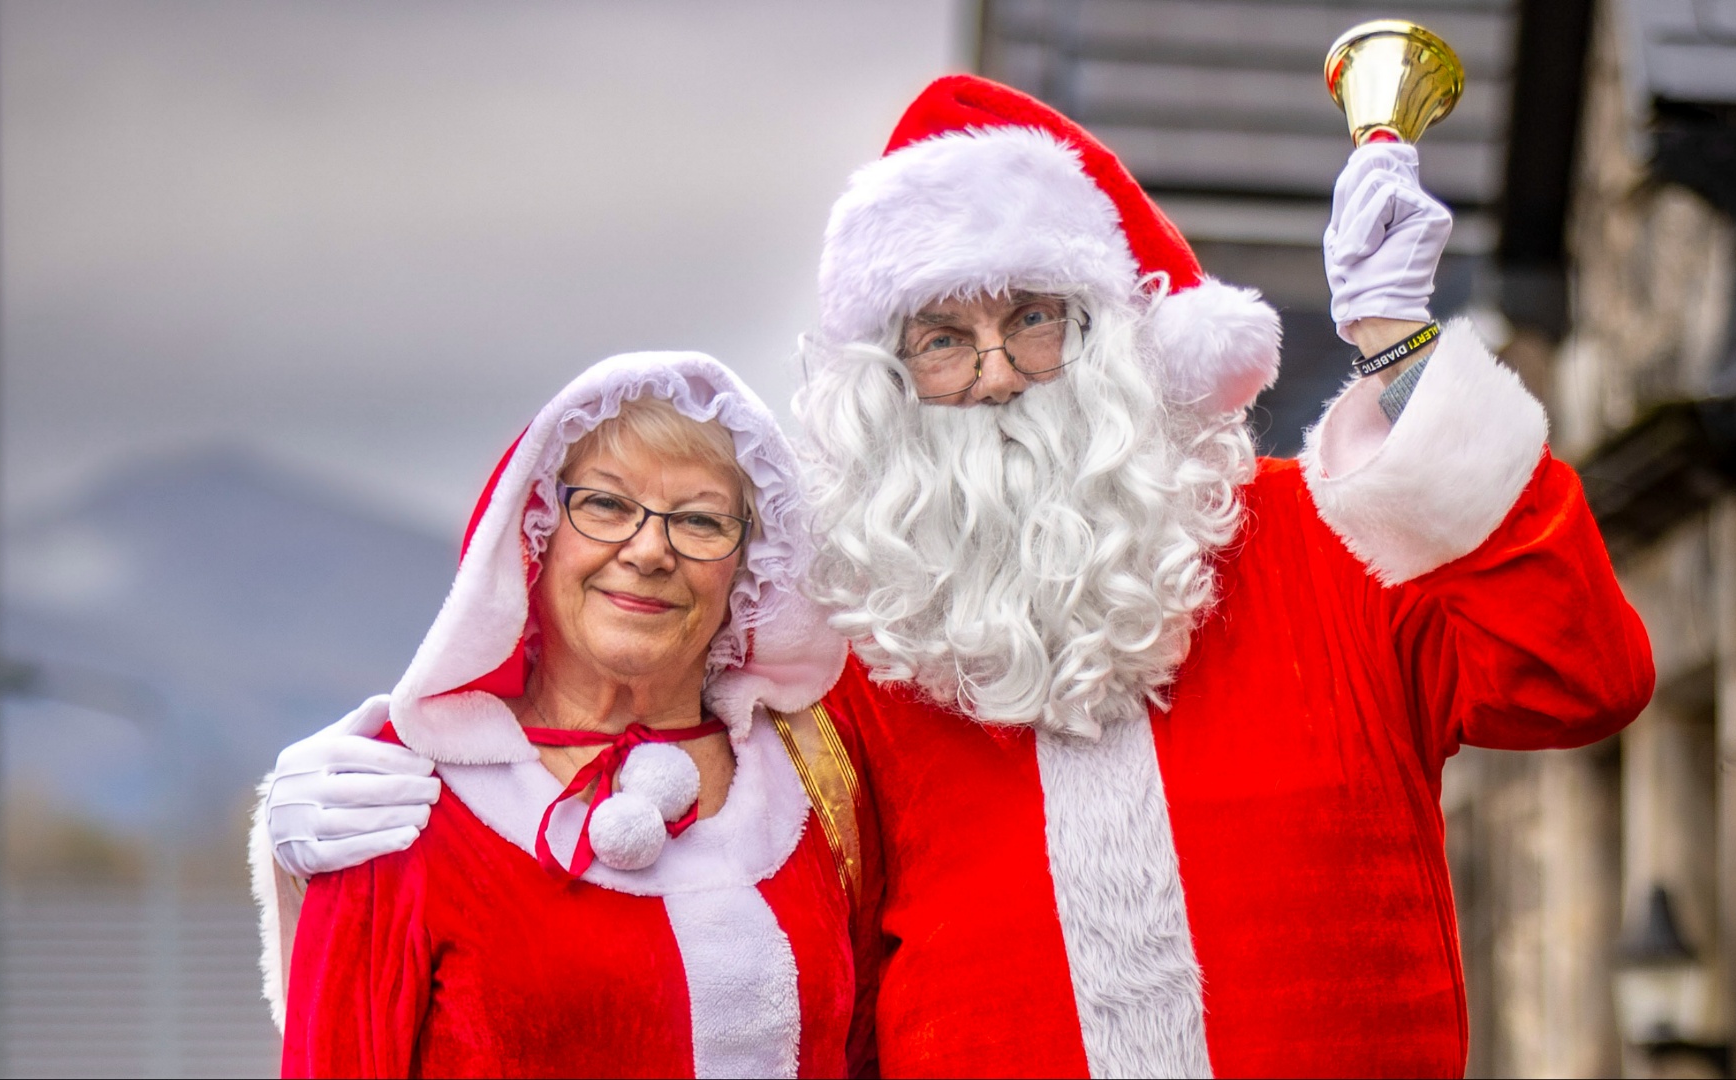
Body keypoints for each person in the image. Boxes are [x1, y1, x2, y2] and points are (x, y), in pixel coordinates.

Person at [263, 76, 1655, 1078]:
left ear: (1116, 333)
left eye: (1032, 319)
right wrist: (390, 803)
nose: (992, 373)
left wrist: (1405, 359)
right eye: (942, 336)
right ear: (890, 381)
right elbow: (656, 898)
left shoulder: (1327, 545)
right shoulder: (857, 662)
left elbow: (1581, 672)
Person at [266, 353, 856, 1078]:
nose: (648, 551)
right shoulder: (397, 792)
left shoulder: (812, 784)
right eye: (605, 506)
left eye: (699, 521)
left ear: (746, 569)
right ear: (535, 537)